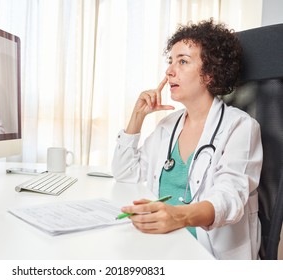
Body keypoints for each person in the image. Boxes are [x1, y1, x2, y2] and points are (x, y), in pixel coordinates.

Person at [111, 19, 263, 260]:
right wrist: (136, 118)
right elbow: (125, 173)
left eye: (182, 61)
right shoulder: (168, 126)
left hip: (207, 254)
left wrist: (179, 216)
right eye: (170, 61)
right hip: (162, 245)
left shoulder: (240, 126)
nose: (170, 71)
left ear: (210, 74)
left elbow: (229, 197)